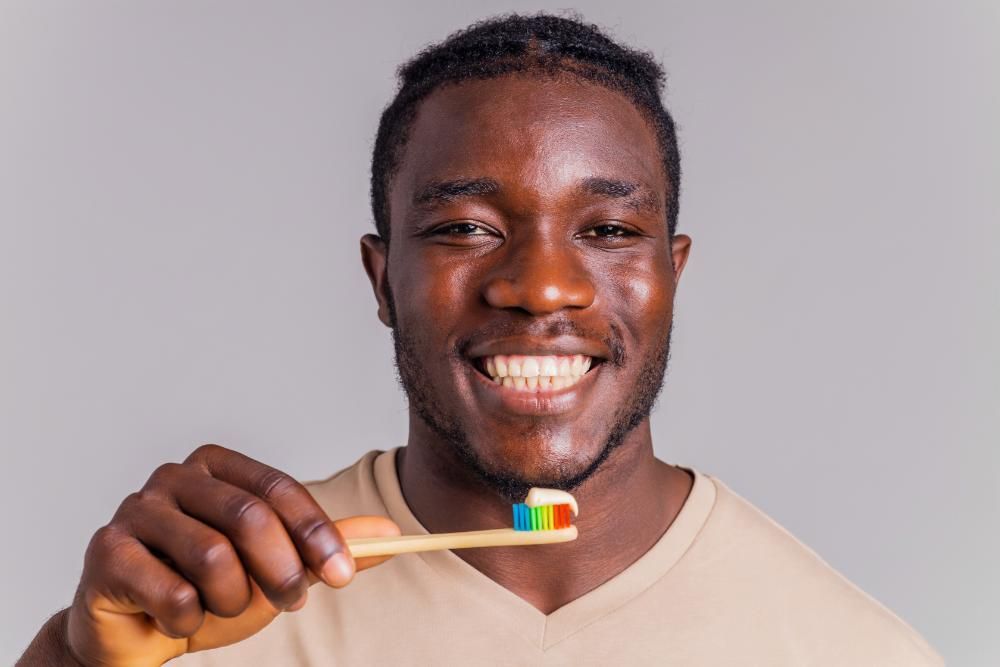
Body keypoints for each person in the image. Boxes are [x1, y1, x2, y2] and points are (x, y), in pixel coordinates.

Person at [19, 13, 943, 666]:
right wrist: (71, 657)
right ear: (384, 282)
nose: (541, 286)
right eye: (466, 226)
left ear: (672, 276)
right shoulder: (204, 612)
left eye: (610, 231)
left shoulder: (854, 652)